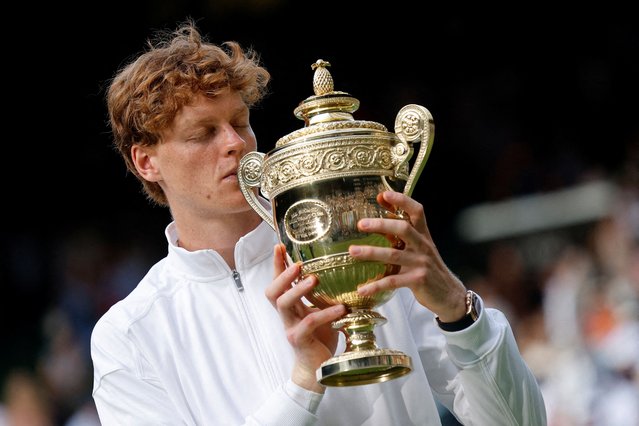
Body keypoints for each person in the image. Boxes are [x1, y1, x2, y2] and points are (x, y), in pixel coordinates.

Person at [90, 19, 547, 425]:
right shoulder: (130, 337)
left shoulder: (364, 248)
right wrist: (304, 383)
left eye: (240, 122)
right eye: (202, 133)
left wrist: (458, 310)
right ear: (146, 161)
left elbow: (520, 423)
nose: (234, 143)